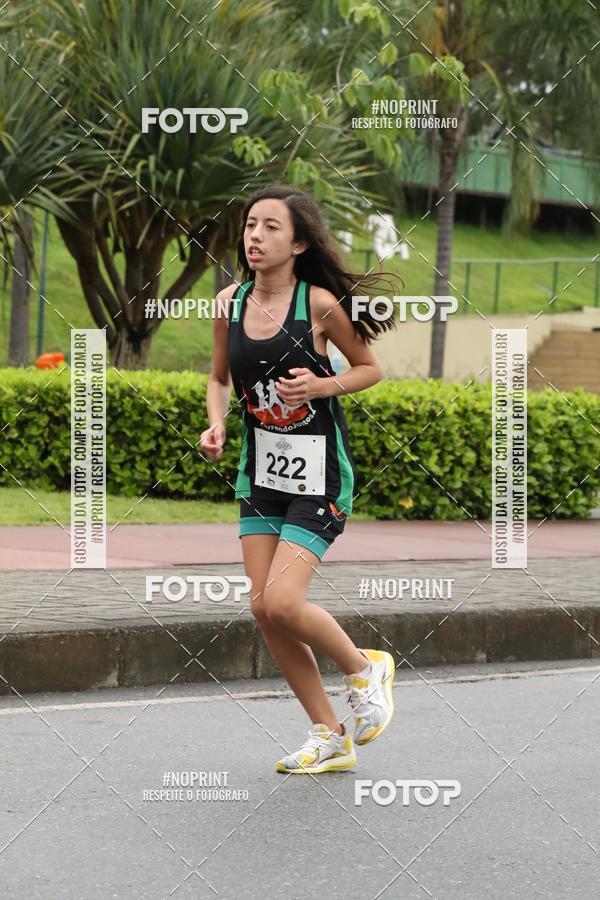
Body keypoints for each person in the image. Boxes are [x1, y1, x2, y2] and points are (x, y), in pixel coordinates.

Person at [200, 184, 399, 774]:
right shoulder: (228, 303)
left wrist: (319, 386)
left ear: (300, 242)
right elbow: (217, 379)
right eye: (249, 225)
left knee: (284, 600)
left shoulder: (318, 305)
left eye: (270, 227)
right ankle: (329, 734)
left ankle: (365, 667)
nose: (255, 236)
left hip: (318, 475)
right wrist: (215, 424)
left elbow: (370, 368)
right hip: (261, 473)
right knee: (264, 608)